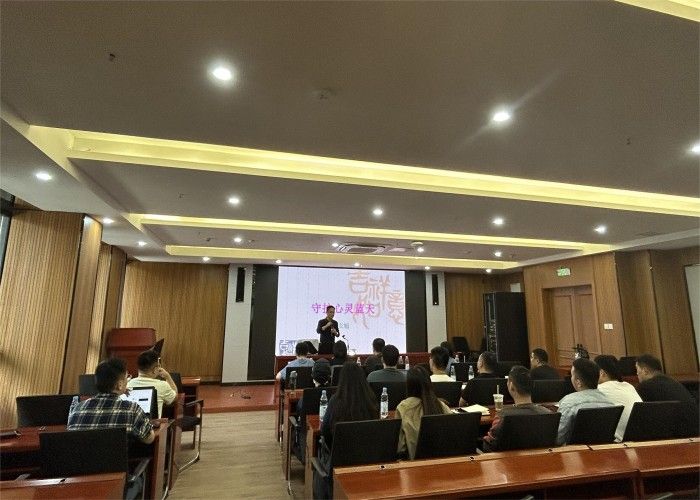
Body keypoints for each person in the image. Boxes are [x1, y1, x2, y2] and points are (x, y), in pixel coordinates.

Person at [68, 357, 154, 445]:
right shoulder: (132, 409)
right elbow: (149, 438)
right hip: (118, 454)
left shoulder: (77, 409)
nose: (127, 380)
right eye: (127, 377)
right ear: (119, 384)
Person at [482, 366, 552, 452]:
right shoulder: (548, 413)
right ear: (533, 385)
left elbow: (490, 444)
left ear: (511, 385)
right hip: (540, 459)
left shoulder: (503, 415)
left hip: (507, 459)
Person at [396, 366, 451, 459]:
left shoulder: (403, 408)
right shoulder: (441, 405)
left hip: (415, 464)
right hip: (443, 461)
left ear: (408, 385)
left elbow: (400, 448)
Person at [557, 358, 614, 445]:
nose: (571, 378)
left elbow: (558, 438)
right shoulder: (610, 402)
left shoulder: (568, 402)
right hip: (603, 450)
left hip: (574, 451)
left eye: (571, 375)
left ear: (578, 382)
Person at [320, 362, 378, 449]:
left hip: (340, 453)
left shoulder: (335, 400)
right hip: (367, 452)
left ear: (342, 380)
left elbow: (325, 430)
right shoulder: (371, 399)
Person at [594, 355, 642, 441]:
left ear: (602, 373)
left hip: (619, 443)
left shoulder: (599, 389)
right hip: (640, 438)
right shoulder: (629, 386)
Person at [127, 349, 177, 418]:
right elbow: (174, 397)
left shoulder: (128, 384)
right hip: (153, 425)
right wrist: (168, 377)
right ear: (155, 369)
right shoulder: (162, 385)